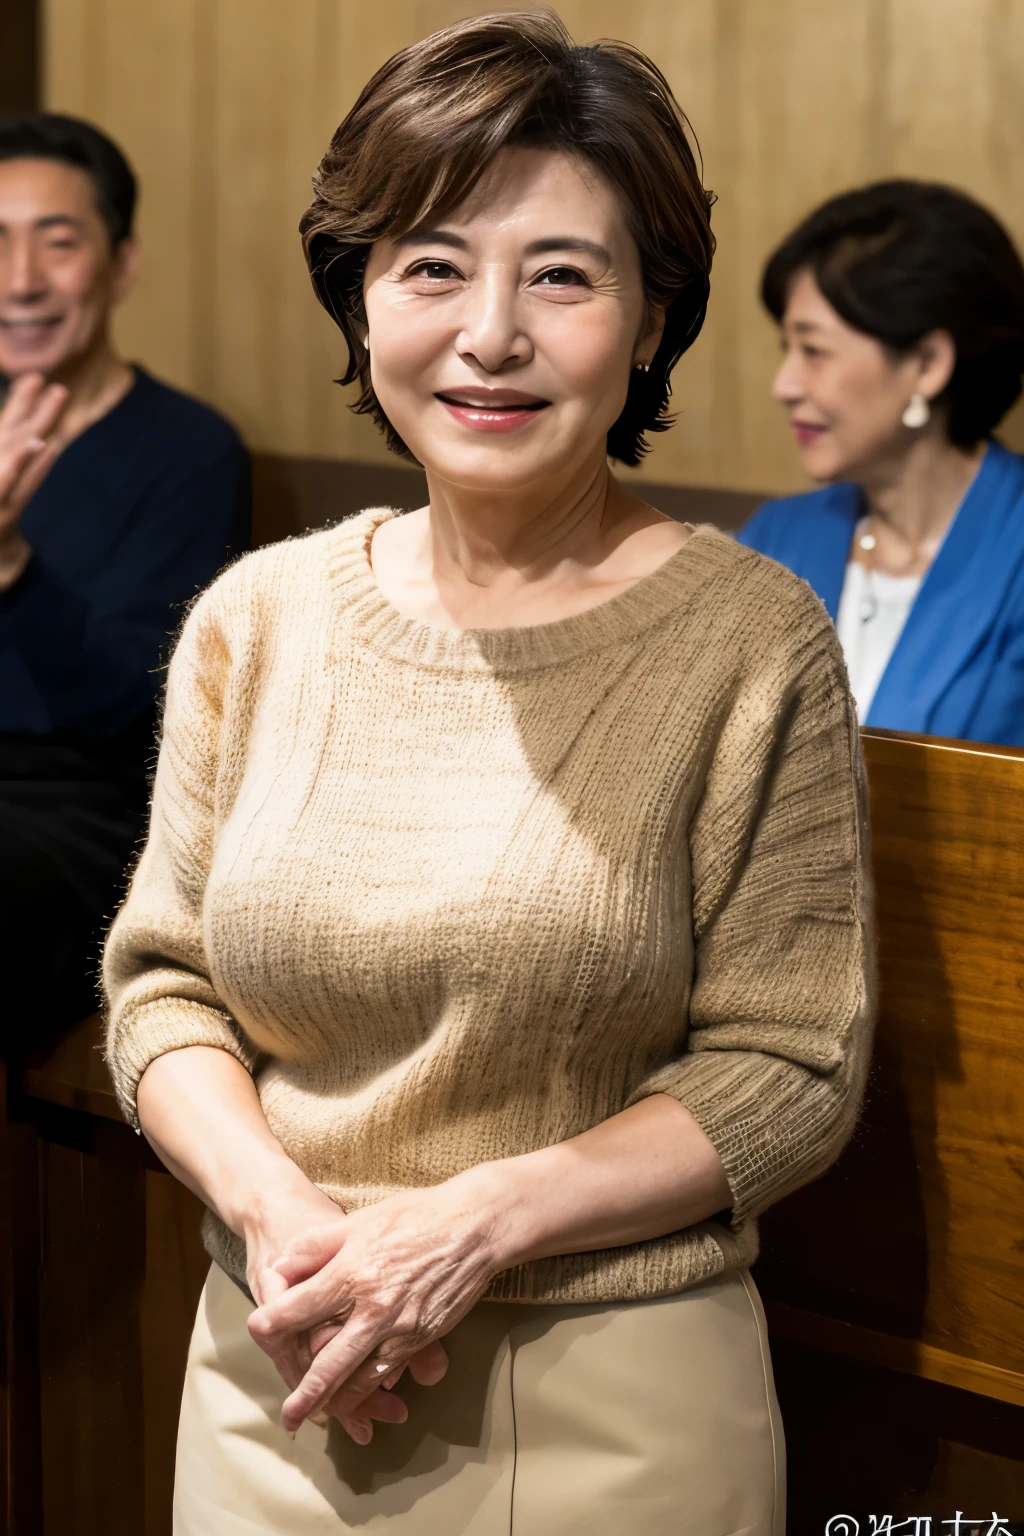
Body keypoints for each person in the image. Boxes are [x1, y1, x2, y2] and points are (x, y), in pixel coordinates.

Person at [104, 15, 874, 1535]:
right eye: (432, 266)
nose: (491, 334)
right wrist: (280, 1215)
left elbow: (792, 1064)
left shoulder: (750, 635)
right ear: (362, 299)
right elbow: (163, 989)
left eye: (564, 276)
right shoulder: (256, 620)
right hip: (275, 1361)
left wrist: (474, 1223)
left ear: (653, 320)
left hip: (609, 1397)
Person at [0, 112, 250, 1046]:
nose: (20, 279)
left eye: (57, 243)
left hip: (79, 816)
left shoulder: (187, 453)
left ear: (121, 264)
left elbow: (146, 708)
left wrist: (12, 565)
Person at [737, 180, 1024, 743]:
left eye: (813, 350)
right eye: (785, 349)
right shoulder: (775, 539)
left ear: (927, 363)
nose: (784, 385)